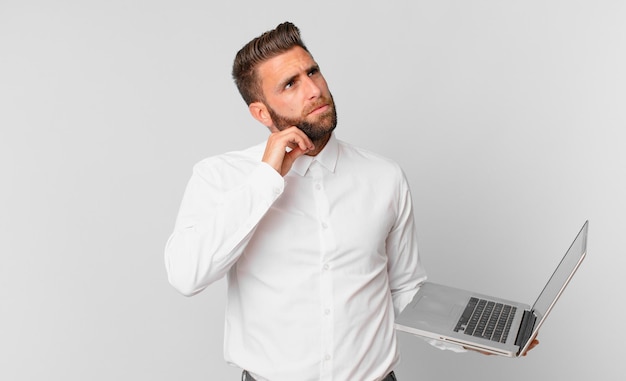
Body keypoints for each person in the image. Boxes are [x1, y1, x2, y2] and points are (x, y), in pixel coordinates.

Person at [164, 21, 536, 381]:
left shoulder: (384, 177)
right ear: (261, 112)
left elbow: (405, 291)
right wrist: (266, 179)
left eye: (313, 72)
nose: (313, 90)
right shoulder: (221, 177)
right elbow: (186, 275)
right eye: (290, 84)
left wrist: (477, 336)